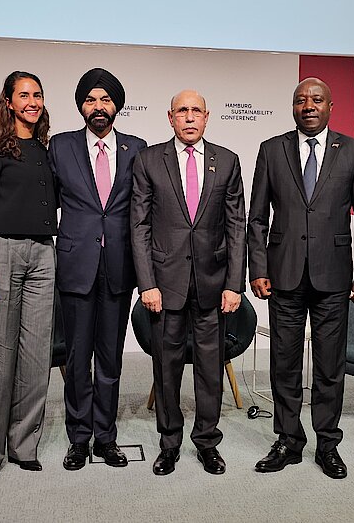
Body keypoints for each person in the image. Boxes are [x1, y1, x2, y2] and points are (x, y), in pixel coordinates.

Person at [247, 77, 354, 479]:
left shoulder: (353, 151)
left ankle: (327, 444)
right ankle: (288, 441)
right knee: (283, 364)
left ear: (330, 106)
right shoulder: (271, 149)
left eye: (317, 100)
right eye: (301, 100)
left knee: (329, 367)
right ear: (293, 107)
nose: (308, 106)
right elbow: (257, 218)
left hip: (334, 278)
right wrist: (258, 267)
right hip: (283, 275)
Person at [130, 90, 246, 476]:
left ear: (207, 117)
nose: (190, 117)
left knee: (210, 368)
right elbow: (139, 226)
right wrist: (146, 283)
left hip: (213, 283)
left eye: (197, 110)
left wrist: (234, 284)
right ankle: (169, 443)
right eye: (183, 111)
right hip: (165, 284)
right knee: (166, 368)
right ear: (171, 117)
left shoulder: (227, 161)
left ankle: (208, 442)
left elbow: (237, 227)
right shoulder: (148, 161)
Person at [48, 68, 147, 471]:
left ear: (117, 106)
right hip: (76, 266)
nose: (98, 107)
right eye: (90, 100)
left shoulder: (137, 148)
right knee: (76, 358)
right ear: (81, 107)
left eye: (105, 99)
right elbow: (46, 203)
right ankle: (78, 438)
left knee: (109, 359)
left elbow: (143, 209)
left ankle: (106, 437)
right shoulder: (60, 146)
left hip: (119, 266)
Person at [0, 71, 57, 481]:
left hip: (44, 254)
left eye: (38, 94)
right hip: (0, 253)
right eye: (24, 95)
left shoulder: (46, 149)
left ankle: (23, 446)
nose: (32, 101)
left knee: (36, 357)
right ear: (8, 101)